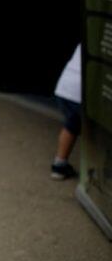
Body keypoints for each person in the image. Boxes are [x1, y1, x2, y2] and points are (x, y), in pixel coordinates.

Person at [51, 44, 81, 180]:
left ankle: (60, 165)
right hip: (79, 94)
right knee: (74, 127)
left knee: (71, 126)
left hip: (64, 89)